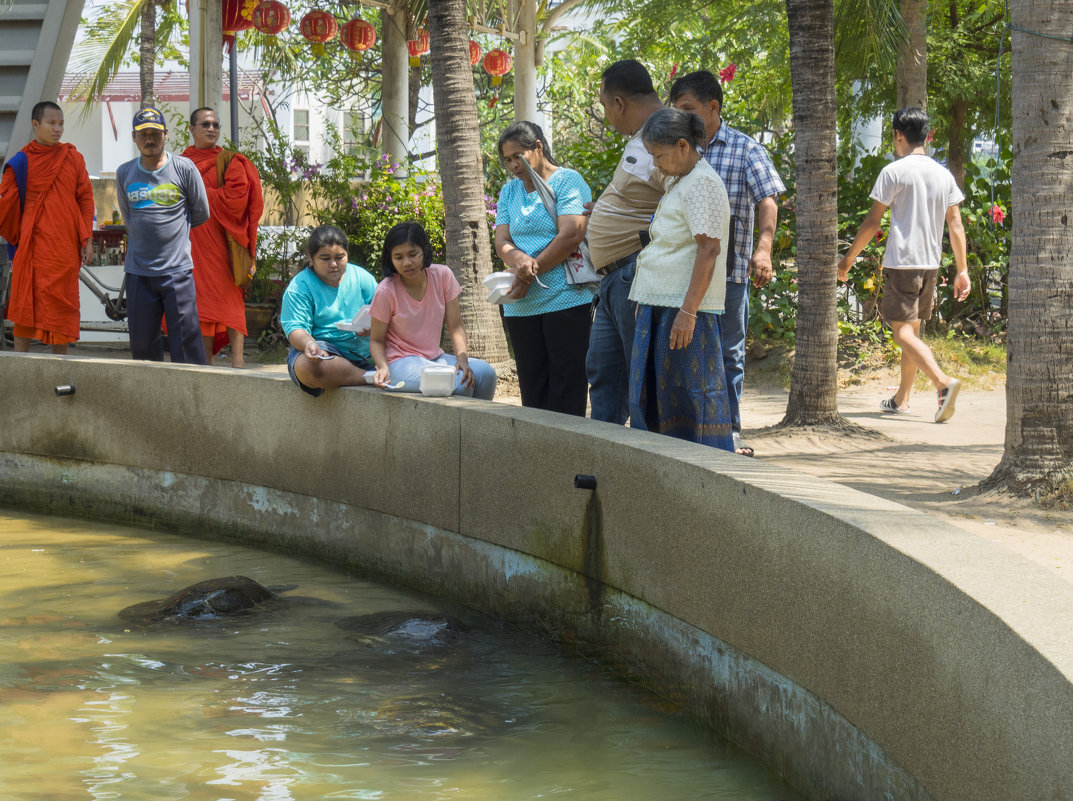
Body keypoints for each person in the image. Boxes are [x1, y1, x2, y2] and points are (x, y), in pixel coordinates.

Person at [669, 70, 786, 456]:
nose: (682, 116)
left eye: (688, 109)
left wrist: (764, 248)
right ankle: (690, 431)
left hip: (730, 274)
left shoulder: (745, 149)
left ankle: (729, 433)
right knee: (684, 354)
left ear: (713, 107)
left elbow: (767, 199)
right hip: (683, 277)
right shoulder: (679, 149)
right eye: (677, 110)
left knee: (728, 355)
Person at [838, 107, 969, 423]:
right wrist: (962, 269)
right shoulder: (943, 175)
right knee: (913, 331)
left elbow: (872, 222)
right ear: (926, 136)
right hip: (930, 264)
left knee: (901, 334)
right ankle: (902, 400)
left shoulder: (894, 172)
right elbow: (956, 224)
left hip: (902, 264)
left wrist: (848, 258)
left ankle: (942, 382)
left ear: (898, 135)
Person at [627, 109, 734, 451]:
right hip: (662, 306)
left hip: (683, 311)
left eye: (659, 155)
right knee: (658, 401)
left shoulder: (702, 183)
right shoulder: (681, 181)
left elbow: (709, 250)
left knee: (690, 404)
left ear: (684, 146)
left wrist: (688, 311)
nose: (655, 164)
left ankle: (704, 480)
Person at [585, 60, 668, 425]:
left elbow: (680, 204)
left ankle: (645, 470)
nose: (606, 115)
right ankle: (604, 465)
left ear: (619, 102)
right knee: (605, 377)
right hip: (613, 280)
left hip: (635, 275)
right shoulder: (643, 136)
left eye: (604, 106)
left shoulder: (663, 136)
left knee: (640, 386)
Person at [494, 121, 593, 415]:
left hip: (567, 298)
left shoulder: (568, 181)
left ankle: (567, 454)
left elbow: (571, 235)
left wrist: (530, 269)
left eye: (518, 156)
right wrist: (519, 261)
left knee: (568, 385)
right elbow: (502, 240)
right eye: (507, 159)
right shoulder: (509, 193)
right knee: (532, 389)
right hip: (521, 304)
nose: (513, 165)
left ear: (538, 147)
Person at [115, 106, 210, 363]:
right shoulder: (124, 172)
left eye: (155, 133)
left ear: (166, 135)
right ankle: (151, 400)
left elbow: (201, 212)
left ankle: (191, 400)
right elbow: (129, 216)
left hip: (176, 272)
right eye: (143, 134)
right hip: (138, 273)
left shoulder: (184, 168)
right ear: (134, 138)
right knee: (143, 347)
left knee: (187, 345)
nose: (149, 139)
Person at [0, 101, 95, 353]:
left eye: (61, 124)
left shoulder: (72, 158)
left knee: (61, 310)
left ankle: (59, 370)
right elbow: (6, 203)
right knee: (24, 308)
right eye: (51, 123)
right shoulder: (22, 162)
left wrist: (87, 238)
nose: (57, 129)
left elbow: (85, 197)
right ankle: (21, 370)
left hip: (63, 248)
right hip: (31, 247)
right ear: (35, 124)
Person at [369, 221, 497, 400]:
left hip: (434, 357)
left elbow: (456, 325)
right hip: (399, 362)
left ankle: (481, 427)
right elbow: (376, 340)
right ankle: (458, 429)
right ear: (390, 258)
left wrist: (462, 359)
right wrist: (383, 367)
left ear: (425, 251)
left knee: (486, 373)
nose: (407, 263)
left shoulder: (443, 275)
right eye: (398, 257)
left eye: (413, 254)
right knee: (460, 382)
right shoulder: (386, 290)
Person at [182, 107, 264, 368]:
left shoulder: (230, 161)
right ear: (191, 129)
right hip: (192, 242)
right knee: (202, 304)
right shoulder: (180, 163)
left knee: (230, 300)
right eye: (205, 124)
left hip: (223, 242)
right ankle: (206, 360)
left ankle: (238, 360)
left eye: (216, 125)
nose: (211, 129)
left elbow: (237, 199)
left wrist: (199, 193)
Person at [280, 225, 378, 396]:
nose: (333, 264)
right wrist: (309, 344)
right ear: (311, 258)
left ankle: (371, 372)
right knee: (308, 367)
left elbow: (384, 312)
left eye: (339, 257)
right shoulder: (300, 286)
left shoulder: (363, 278)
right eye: (325, 258)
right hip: (323, 352)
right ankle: (369, 377)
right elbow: (295, 328)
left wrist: (375, 328)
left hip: (366, 352)